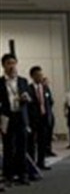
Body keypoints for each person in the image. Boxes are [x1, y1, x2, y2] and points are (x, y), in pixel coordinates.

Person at [1, 54, 31, 185]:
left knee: (22, 146)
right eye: (9, 63)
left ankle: (23, 174)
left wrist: (26, 98)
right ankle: (9, 175)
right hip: (6, 118)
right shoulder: (0, 82)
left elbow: (30, 99)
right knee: (8, 147)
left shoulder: (23, 81)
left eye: (14, 63)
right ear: (3, 65)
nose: (12, 66)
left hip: (21, 116)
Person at [26, 66, 52, 170]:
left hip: (44, 118)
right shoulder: (28, 89)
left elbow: (50, 101)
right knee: (31, 143)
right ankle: (32, 165)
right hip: (33, 119)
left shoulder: (45, 87)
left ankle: (41, 162)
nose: (40, 77)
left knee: (43, 141)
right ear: (32, 76)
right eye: (38, 75)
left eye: (41, 75)